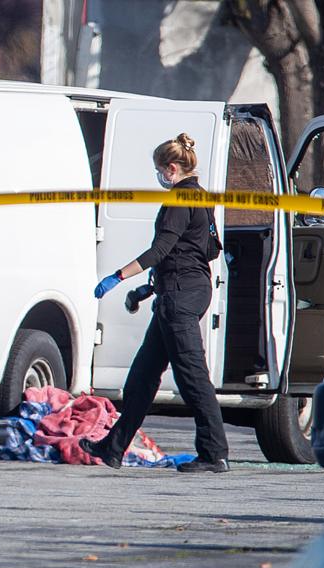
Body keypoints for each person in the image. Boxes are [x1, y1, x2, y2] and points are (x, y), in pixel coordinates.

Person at [80, 132, 230, 474]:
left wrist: (117, 277)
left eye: (160, 169)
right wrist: (150, 289)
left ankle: (213, 454)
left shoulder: (180, 199)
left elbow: (160, 251)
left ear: (173, 168)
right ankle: (113, 448)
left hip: (179, 297)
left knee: (192, 376)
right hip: (183, 291)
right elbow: (203, 250)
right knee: (143, 377)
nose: (159, 176)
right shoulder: (202, 198)